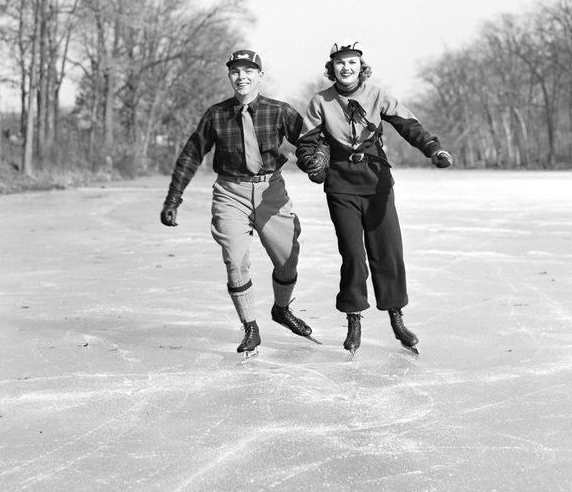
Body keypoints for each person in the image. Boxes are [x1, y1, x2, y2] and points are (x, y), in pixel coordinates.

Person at [295, 41, 453, 354]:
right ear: (332, 68)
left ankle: (396, 317)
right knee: (353, 255)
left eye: (352, 62)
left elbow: (409, 126)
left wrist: (433, 149)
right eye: (340, 62)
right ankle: (353, 319)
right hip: (341, 185)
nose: (346, 67)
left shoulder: (378, 95)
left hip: (377, 182)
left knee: (388, 251)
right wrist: (309, 161)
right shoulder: (320, 101)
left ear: (361, 66)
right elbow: (305, 142)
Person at [160, 49, 312, 356]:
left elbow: (310, 141)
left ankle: (281, 309)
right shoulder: (216, 115)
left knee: (287, 259)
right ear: (230, 76)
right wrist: (174, 197)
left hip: (270, 191)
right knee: (235, 259)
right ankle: (250, 327)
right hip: (230, 193)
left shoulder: (279, 111)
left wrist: (316, 159)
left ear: (259, 75)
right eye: (235, 71)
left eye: (248, 71)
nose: (241, 77)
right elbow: (192, 154)